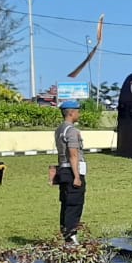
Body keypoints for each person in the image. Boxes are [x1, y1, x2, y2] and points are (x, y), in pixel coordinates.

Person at [54, 100, 87, 243]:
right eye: (78, 111)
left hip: (63, 169)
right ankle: (71, 236)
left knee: (66, 203)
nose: (79, 114)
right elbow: (73, 154)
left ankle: (66, 233)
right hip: (72, 171)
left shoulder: (59, 129)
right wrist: (77, 176)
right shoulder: (71, 131)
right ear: (71, 113)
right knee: (74, 204)